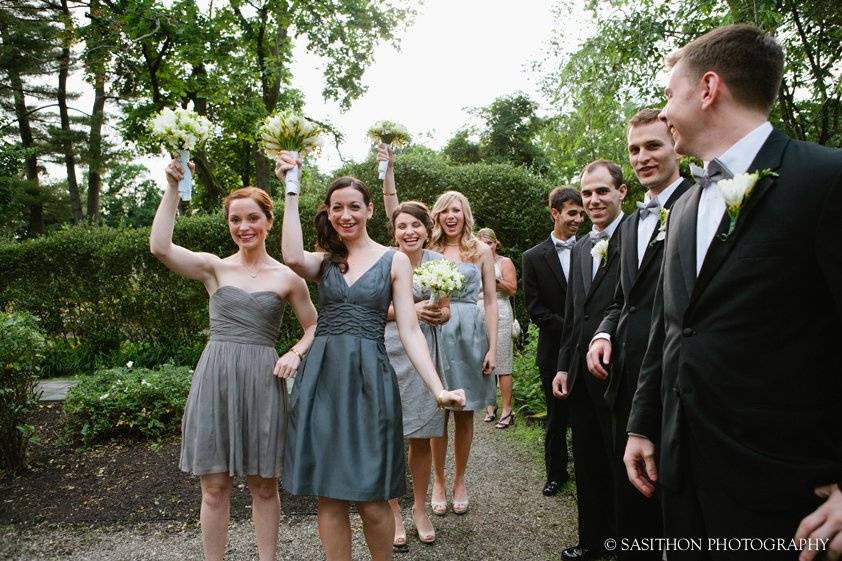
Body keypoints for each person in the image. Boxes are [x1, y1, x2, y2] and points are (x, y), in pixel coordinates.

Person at [623, 24, 842, 561]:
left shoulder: (826, 178)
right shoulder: (684, 207)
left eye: (670, 94)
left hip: (786, 492)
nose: (666, 110)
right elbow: (669, 328)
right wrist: (642, 425)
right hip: (681, 473)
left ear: (708, 88)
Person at [276, 151, 465, 561]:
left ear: (370, 210)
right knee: (328, 496)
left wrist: (438, 389)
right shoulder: (325, 261)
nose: (346, 215)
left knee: (373, 497)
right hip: (322, 380)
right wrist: (291, 186)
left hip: (370, 382)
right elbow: (291, 256)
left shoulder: (393, 259)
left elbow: (411, 329)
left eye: (354, 207)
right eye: (337, 208)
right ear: (329, 212)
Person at [150, 159, 319, 561]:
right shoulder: (213, 268)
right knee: (214, 486)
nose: (244, 227)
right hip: (216, 377)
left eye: (252, 218)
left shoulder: (288, 277)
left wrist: (294, 352)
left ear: (268, 221)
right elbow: (160, 247)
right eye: (235, 219)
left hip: (263, 381)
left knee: (264, 485)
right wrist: (173, 187)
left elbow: (315, 326)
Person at [585, 108, 691, 560]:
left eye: (653, 145)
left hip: (678, 375)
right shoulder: (628, 226)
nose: (643, 157)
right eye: (634, 149)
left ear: (676, 144)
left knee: (676, 495)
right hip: (625, 378)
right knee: (631, 492)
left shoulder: (702, 204)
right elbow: (620, 300)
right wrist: (603, 335)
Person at [552, 160, 627, 561]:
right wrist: (564, 365)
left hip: (619, 372)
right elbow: (573, 315)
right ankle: (591, 541)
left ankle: (619, 545)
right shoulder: (580, 247)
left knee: (620, 465)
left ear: (621, 193)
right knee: (587, 462)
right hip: (581, 373)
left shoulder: (638, 236)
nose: (594, 200)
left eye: (602, 191)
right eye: (587, 193)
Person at [378, 146, 450, 548]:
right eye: (401, 225)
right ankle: (392, 512)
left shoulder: (439, 263)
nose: (408, 231)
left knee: (421, 435)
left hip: (426, 353)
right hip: (388, 352)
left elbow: (446, 310)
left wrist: (439, 314)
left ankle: (420, 506)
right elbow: (370, 308)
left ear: (427, 229)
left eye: (415, 226)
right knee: (388, 434)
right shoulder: (384, 261)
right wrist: (405, 311)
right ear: (395, 231)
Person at [428, 190, 498, 516]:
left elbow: (490, 301)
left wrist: (493, 347)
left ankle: (459, 480)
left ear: (465, 214)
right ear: (438, 216)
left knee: (465, 410)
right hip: (435, 329)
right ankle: (438, 480)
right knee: (437, 410)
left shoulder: (481, 250)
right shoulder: (429, 248)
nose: (451, 216)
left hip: (470, 332)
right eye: (445, 211)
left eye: (456, 210)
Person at [522, 187, 585, 496]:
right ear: (555, 213)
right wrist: (574, 331)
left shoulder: (593, 247)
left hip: (592, 350)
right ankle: (556, 474)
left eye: (581, 213)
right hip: (554, 350)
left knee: (590, 417)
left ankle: (591, 473)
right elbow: (535, 308)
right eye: (572, 213)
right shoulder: (532, 257)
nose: (578, 219)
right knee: (557, 418)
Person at [477, 227, 518, 429]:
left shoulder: (505, 262)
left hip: (500, 312)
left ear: (496, 243)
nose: (487, 246)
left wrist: (495, 280)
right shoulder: (472, 261)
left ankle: (507, 409)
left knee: (502, 362)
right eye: (482, 242)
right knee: (483, 360)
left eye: (490, 242)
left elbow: (512, 290)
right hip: (477, 314)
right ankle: (490, 405)